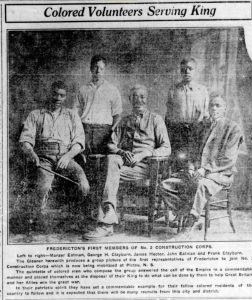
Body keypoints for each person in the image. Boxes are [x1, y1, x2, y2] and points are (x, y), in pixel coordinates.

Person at [83, 84, 171, 239]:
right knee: (110, 160)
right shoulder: (124, 121)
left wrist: (144, 153)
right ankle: (108, 217)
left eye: (142, 96)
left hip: (146, 167)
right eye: (135, 97)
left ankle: (105, 223)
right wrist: (122, 152)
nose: (139, 100)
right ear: (130, 100)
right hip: (124, 165)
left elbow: (166, 148)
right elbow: (111, 144)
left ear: (147, 99)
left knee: (106, 173)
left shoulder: (156, 120)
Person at [162, 93, 243, 231]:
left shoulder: (233, 128)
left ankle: (190, 222)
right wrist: (191, 167)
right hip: (197, 172)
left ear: (225, 108)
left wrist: (205, 170)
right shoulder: (203, 127)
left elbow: (228, 159)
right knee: (165, 184)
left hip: (219, 173)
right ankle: (186, 212)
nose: (214, 109)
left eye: (218, 105)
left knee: (200, 185)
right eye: (212, 105)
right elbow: (193, 153)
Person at [19, 80, 90, 222]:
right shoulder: (36, 114)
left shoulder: (72, 115)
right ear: (49, 93)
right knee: (43, 187)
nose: (58, 98)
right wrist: (32, 154)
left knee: (84, 185)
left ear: (65, 97)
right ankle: (39, 220)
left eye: (62, 95)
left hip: (66, 157)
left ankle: (76, 220)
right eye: (55, 94)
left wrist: (68, 156)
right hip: (43, 158)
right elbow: (25, 140)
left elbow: (79, 141)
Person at [165, 57, 209, 169]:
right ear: (180, 71)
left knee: (194, 163)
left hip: (197, 132)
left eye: (190, 69)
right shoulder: (174, 90)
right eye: (183, 69)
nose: (187, 72)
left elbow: (206, 115)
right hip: (178, 132)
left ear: (195, 70)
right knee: (179, 162)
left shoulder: (202, 90)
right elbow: (169, 114)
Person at [74, 54, 122, 155]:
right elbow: (75, 113)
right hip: (85, 129)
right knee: (85, 160)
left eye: (101, 68)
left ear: (104, 70)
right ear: (91, 68)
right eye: (96, 67)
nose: (98, 71)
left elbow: (117, 115)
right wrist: (80, 130)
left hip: (104, 131)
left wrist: (111, 131)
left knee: (102, 162)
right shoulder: (82, 90)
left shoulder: (112, 90)